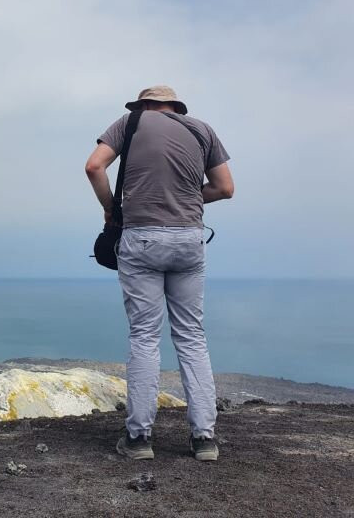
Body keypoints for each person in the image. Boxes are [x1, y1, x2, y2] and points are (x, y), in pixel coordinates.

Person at [84, 86, 234, 462]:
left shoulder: (129, 123)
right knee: (191, 337)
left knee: (144, 336)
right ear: (175, 108)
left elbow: (94, 166)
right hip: (189, 240)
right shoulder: (202, 129)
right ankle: (204, 440)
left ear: (143, 106)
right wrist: (188, 196)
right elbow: (225, 188)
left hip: (142, 239)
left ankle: (139, 439)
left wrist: (111, 209)